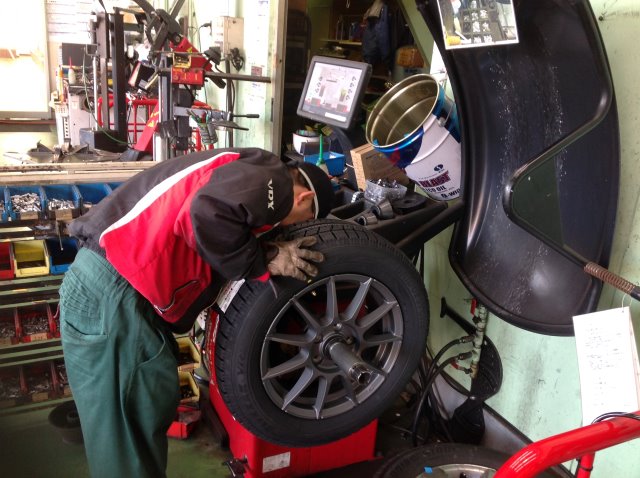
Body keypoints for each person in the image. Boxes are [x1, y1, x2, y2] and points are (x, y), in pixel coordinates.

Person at [59, 147, 335, 478]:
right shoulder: (273, 180)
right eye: (306, 219)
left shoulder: (249, 167)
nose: (296, 226)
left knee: (135, 425)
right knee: (126, 442)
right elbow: (207, 212)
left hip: (113, 292)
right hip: (113, 294)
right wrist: (265, 259)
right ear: (304, 198)